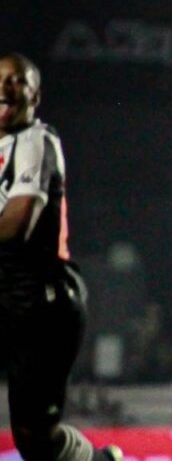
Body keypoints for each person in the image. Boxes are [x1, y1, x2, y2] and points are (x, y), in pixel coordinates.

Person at [0, 53, 122, 461]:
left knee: (35, 437)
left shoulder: (37, 141)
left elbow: (20, 219)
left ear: (35, 94)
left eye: (16, 81)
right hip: (7, 299)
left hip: (43, 302)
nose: (4, 87)